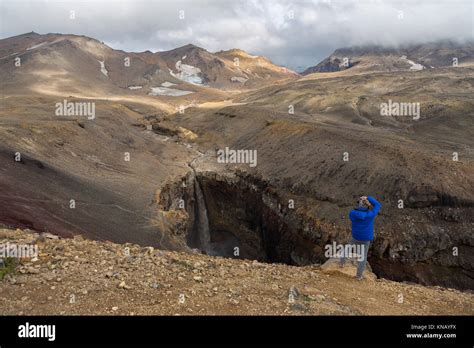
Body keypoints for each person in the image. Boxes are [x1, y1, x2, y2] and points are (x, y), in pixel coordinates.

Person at [340, 195, 381, 280]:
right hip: (365, 239)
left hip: (356, 236)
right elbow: (377, 205)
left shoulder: (352, 213)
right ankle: (359, 276)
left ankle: (342, 263)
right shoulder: (370, 215)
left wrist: (363, 202)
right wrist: (368, 199)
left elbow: (358, 211)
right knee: (363, 256)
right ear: (367, 206)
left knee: (348, 247)